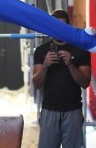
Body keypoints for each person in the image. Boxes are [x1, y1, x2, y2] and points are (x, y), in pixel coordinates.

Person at [32, 9, 91, 148]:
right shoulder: (41, 51)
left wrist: (70, 64)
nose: (58, 30)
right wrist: (45, 66)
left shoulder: (81, 51)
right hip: (49, 109)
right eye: (55, 26)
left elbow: (85, 83)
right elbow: (37, 83)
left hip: (73, 110)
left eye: (62, 26)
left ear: (68, 27)